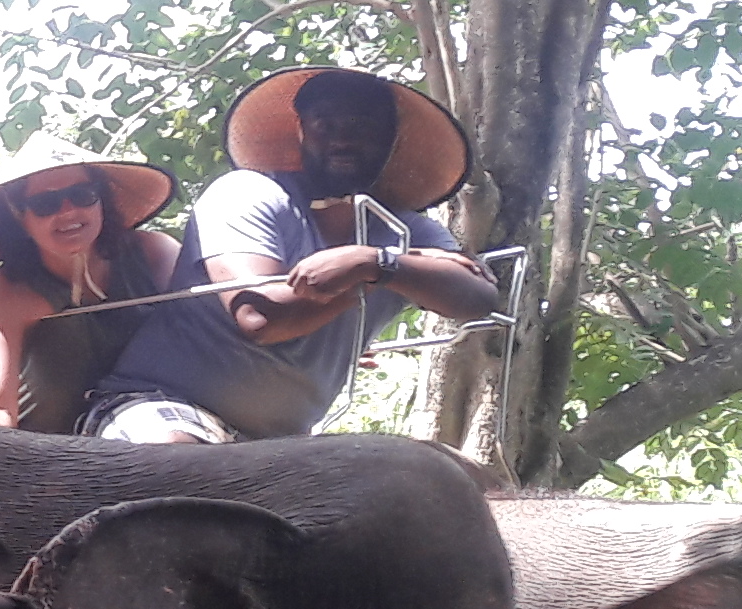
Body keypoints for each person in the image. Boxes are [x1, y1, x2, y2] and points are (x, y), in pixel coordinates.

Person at [82, 66, 505, 441]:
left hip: (279, 441)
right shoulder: (247, 193)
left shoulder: (404, 229)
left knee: (439, 480)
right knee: (176, 459)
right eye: (325, 123)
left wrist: (377, 264)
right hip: (164, 405)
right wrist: (378, 271)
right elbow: (260, 318)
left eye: (363, 126)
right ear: (302, 132)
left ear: (390, 140)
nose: (343, 139)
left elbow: (478, 298)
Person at [0, 154, 182, 431]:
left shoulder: (154, 253)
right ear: (18, 217)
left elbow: (205, 335)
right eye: (45, 204)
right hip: (49, 450)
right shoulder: (8, 292)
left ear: (101, 200)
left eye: (82, 195)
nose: (68, 212)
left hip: (163, 423)